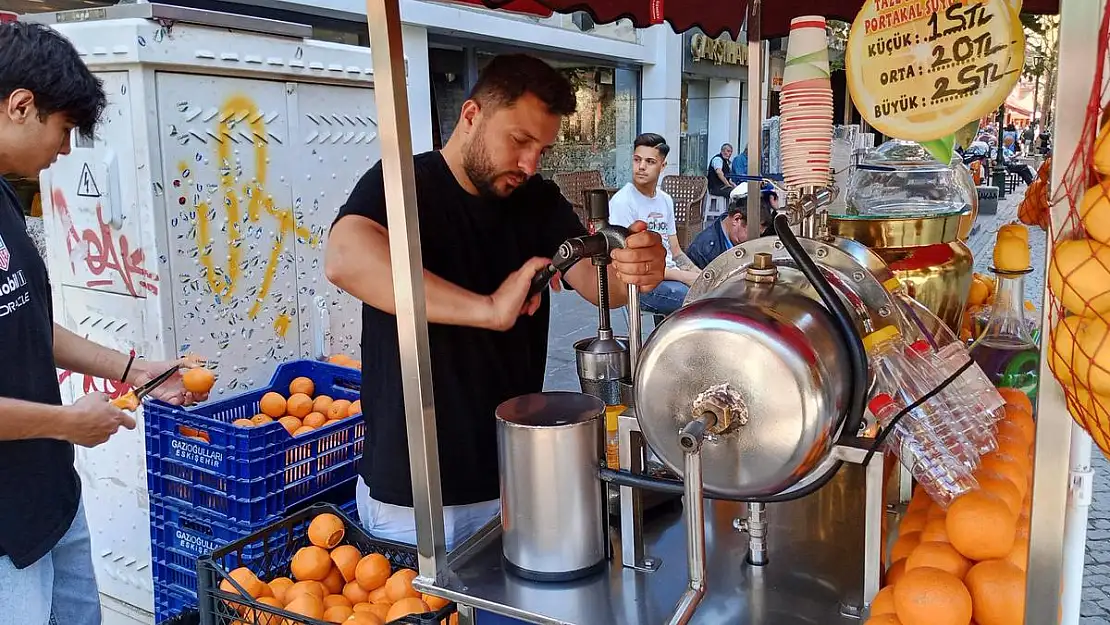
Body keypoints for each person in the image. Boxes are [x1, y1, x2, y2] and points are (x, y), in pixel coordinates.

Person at [325, 53, 667, 549]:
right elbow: (344, 258)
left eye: (542, 149)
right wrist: (488, 308)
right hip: (415, 492)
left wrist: (637, 267)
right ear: (471, 116)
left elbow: (601, 286)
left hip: (518, 476)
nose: (530, 163)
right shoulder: (403, 184)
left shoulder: (537, 201)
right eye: (520, 140)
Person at [0, 22, 208, 624]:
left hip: (51, 502)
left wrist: (131, 368)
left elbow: (28, 323)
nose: (66, 151)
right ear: (21, 106)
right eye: (64, 130)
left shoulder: (4, 197)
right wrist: (67, 421)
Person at [607, 133, 700, 315]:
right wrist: (684, 276)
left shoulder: (665, 200)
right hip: (640, 283)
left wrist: (701, 275)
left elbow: (676, 251)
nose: (641, 167)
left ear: (662, 165)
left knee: (708, 289)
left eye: (649, 161)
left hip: (668, 276)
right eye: (637, 160)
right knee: (698, 301)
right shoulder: (623, 202)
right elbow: (630, 264)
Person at [687, 183, 774, 269]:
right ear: (736, 219)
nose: (756, 240)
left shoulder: (732, 228)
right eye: (753, 233)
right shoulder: (703, 251)